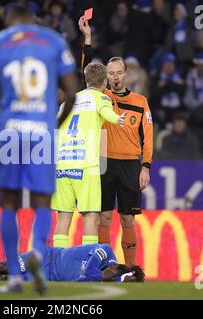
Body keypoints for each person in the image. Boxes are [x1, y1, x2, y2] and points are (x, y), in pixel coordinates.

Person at [0, 5, 78, 294]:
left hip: (10, 133)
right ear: (34, 20)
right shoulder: (54, 41)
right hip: (41, 133)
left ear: (9, 20)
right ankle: (38, 255)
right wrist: (54, 122)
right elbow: (71, 92)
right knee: (43, 201)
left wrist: (1, 117)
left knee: (9, 202)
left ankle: (15, 278)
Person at [79, 16, 153, 267]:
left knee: (128, 220)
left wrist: (146, 166)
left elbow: (148, 136)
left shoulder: (141, 102)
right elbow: (87, 73)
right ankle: (105, 266)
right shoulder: (101, 96)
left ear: (126, 74)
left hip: (130, 165)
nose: (115, 77)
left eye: (119, 73)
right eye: (111, 74)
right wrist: (87, 40)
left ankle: (130, 268)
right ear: (107, 77)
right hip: (104, 163)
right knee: (104, 218)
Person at [52, 62, 126, 248]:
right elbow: (106, 112)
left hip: (62, 165)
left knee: (63, 218)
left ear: (85, 80)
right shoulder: (100, 98)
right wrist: (118, 119)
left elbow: (53, 129)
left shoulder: (67, 102)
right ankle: (87, 266)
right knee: (91, 217)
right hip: (86, 166)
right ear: (105, 82)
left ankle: (57, 266)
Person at [0, 244, 145, 283]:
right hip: (47, 256)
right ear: (117, 267)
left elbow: (81, 280)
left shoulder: (110, 280)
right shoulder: (104, 251)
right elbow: (87, 273)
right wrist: (101, 276)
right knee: (4, 267)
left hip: (47, 277)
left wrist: (102, 278)